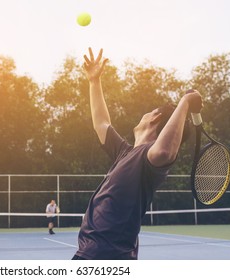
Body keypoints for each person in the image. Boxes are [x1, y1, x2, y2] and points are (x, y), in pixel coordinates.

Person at [72, 48, 202, 260]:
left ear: (155, 118)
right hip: (95, 253)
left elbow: (164, 151)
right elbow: (101, 123)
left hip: (106, 256)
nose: (144, 114)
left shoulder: (148, 157)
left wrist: (184, 103)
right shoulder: (125, 152)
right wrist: (94, 82)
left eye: (149, 112)